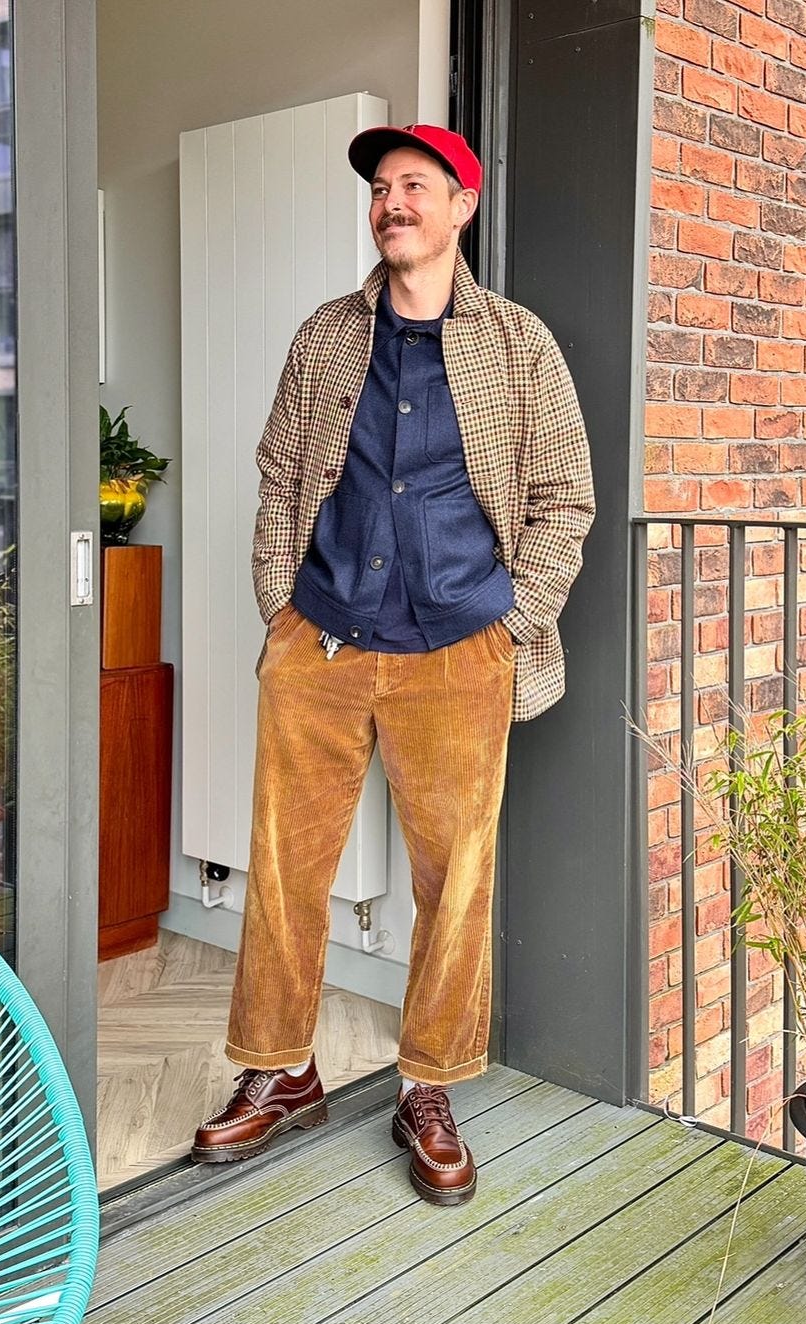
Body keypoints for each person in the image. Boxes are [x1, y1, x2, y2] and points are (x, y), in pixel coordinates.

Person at [192, 123, 594, 1206]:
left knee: (453, 881)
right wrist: (279, 605)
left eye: (414, 185)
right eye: (380, 188)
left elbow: (564, 496)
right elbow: (280, 472)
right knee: (283, 866)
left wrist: (515, 618)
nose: (391, 203)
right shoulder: (328, 334)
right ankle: (281, 1068)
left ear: (463, 205)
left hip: (461, 648)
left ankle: (428, 1082)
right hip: (320, 638)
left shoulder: (519, 344)